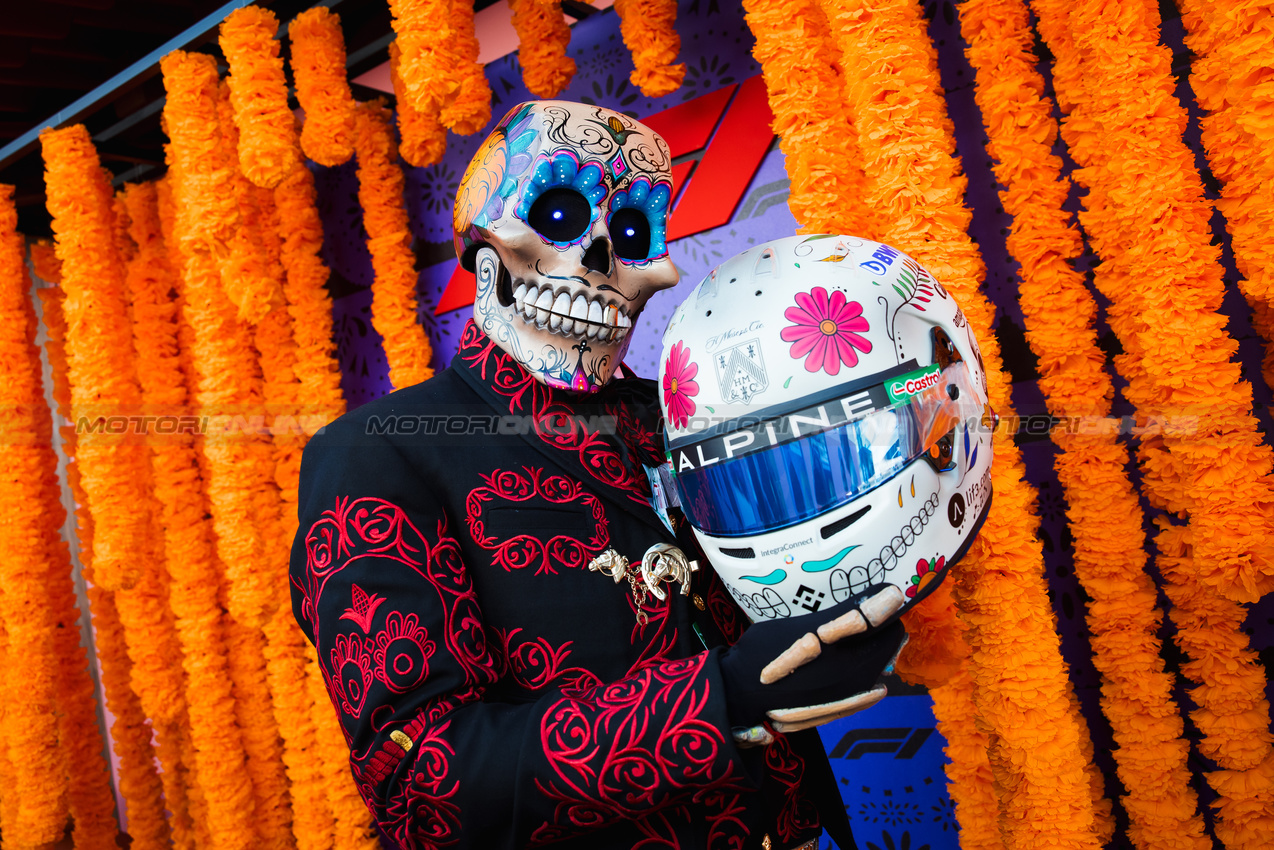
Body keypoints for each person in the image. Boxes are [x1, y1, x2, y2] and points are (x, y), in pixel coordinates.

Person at [290, 101, 907, 850]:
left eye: (636, 233)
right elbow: (417, 785)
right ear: (487, 249)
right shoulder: (377, 454)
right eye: (556, 212)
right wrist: (720, 702)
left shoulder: (685, 412)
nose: (601, 257)